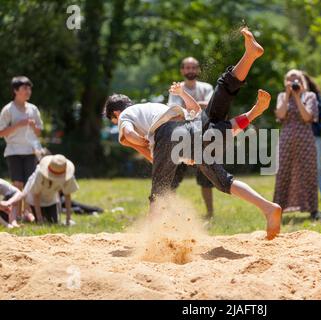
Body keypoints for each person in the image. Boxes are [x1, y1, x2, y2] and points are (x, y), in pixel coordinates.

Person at [104, 28, 282, 240]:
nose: (117, 123)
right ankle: (268, 208)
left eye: (113, 120)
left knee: (159, 193)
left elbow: (129, 133)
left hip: (169, 135)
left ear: (116, 113)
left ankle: (152, 238)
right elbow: (196, 113)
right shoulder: (153, 107)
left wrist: (139, 140)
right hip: (193, 128)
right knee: (223, 170)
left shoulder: (127, 114)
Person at [168, 57, 215, 218]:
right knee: (173, 176)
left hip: (204, 135)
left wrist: (187, 106)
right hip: (182, 137)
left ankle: (210, 213)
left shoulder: (206, 87)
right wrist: (198, 105)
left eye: (193, 67)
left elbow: (212, 105)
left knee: (207, 176)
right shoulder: (177, 88)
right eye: (187, 68)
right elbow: (173, 110)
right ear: (182, 70)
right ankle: (168, 212)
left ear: (198, 70)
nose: (190, 70)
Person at [274, 69, 321, 220]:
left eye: (296, 79)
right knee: (283, 173)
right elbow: (280, 115)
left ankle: (313, 210)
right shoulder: (282, 96)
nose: (294, 82)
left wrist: (297, 97)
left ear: (302, 81)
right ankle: (277, 209)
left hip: (306, 141)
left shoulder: (310, 96)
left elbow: (307, 116)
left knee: (308, 172)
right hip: (286, 140)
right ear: (286, 82)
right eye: (290, 79)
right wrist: (288, 95)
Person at [0, 76, 43, 221]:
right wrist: (19, 124)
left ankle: (26, 212)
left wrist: (33, 126)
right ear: (15, 90)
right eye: (25, 88)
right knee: (17, 184)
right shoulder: (8, 109)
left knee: (29, 185)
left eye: (29, 88)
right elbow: (1, 132)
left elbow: (39, 132)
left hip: (30, 151)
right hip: (13, 151)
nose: (28, 91)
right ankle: (15, 214)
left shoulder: (33, 109)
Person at [22, 154, 79, 225]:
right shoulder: (40, 173)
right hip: (33, 200)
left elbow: (67, 195)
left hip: (51, 200)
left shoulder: (68, 176)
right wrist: (39, 219)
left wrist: (68, 219)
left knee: (53, 222)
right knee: (39, 221)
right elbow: (36, 194)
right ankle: (28, 215)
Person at [303, 72, 321, 202]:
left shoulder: (317, 96)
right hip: (300, 136)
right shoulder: (292, 95)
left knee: (317, 165)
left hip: (315, 135)